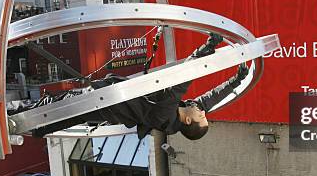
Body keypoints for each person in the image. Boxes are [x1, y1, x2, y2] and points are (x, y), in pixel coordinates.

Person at [26, 33, 249, 140]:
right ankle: (29, 122)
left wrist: (209, 46)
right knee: (51, 110)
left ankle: (22, 120)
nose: (202, 110)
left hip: (100, 103)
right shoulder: (185, 110)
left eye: (202, 116)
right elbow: (212, 98)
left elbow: (185, 77)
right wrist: (237, 80)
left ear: (188, 120)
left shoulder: (164, 116)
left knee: (50, 109)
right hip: (103, 99)